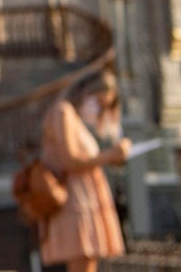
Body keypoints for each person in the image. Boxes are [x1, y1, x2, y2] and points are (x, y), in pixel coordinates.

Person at [40, 71, 127, 272]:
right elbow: (69, 160)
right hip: (75, 203)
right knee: (82, 263)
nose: (99, 108)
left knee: (89, 262)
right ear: (88, 92)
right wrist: (110, 155)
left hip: (86, 200)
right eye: (99, 101)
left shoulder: (74, 118)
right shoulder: (62, 112)